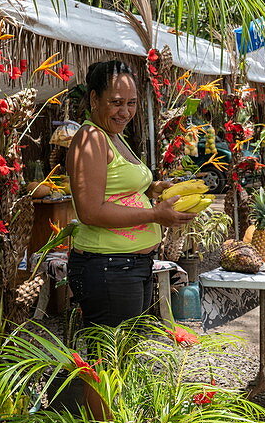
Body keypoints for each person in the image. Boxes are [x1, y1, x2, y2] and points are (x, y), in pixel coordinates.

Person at [66, 61, 196, 327]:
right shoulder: (91, 138)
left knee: (125, 356)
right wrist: (155, 214)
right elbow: (90, 212)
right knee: (112, 359)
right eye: (116, 103)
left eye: (131, 103)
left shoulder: (113, 135)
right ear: (94, 98)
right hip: (108, 267)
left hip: (130, 266)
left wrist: (151, 188)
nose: (124, 112)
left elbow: (115, 186)